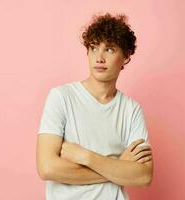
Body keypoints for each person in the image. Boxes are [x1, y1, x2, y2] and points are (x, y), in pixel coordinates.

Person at [36, 12, 154, 200]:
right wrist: (118, 167)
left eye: (109, 49)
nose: (99, 57)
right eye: (93, 48)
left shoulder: (132, 110)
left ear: (125, 57)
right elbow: (47, 168)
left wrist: (85, 157)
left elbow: (143, 175)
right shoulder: (61, 97)